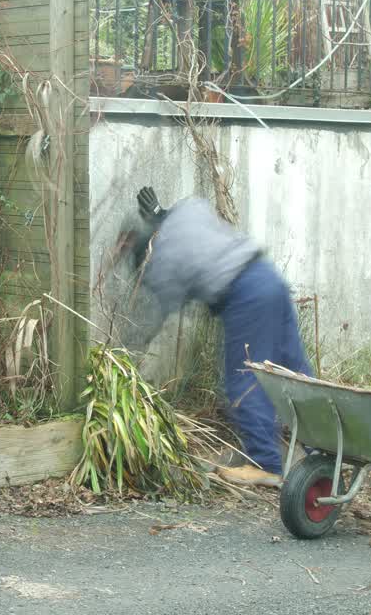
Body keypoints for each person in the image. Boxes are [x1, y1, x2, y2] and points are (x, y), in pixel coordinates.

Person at [121, 187, 313, 488]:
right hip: (269, 278)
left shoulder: (163, 261)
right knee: (296, 373)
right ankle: (327, 453)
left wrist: (137, 341)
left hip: (245, 297)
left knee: (244, 380)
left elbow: (166, 306)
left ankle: (267, 464)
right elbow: (191, 209)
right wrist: (160, 215)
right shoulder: (186, 213)